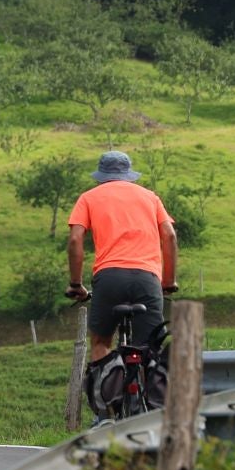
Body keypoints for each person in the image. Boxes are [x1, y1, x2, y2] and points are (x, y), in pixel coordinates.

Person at [66, 150, 179, 365]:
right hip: (148, 278)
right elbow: (170, 236)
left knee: (101, 342)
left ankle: (105, 395)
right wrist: (168, 281)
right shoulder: (150, 197)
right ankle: (145, 396)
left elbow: (74, 240)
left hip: (109, 278)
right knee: (150, 348)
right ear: (129, 174)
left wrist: (75, 284)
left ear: (100, 176)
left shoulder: (88, 198)